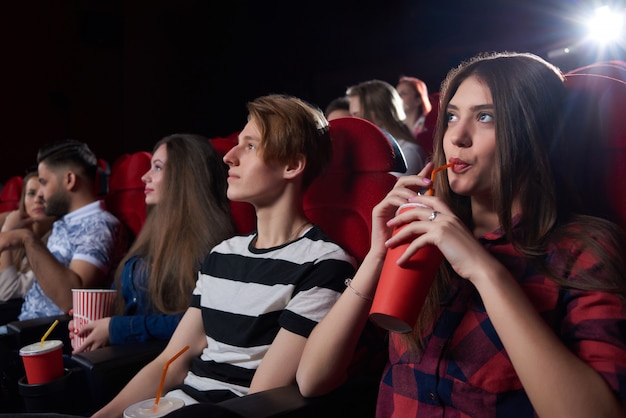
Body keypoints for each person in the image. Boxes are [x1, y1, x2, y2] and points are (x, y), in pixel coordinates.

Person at [296, 52, 626, 417]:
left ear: (537, 132)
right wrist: (377, 256)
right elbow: (313, 379)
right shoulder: (419, 231)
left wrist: (484, 270)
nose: (457, 137)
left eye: (485, 117)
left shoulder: (582, 250)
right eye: (452, 116)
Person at [92, 94, 356, 418]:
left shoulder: (324, 263)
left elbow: (262, 397)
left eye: (250, 146)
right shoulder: (222, 253)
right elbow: (170, 363)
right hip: (174, 405)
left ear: (292, 165)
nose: (229, 157)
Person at [69, 134, 237, 353]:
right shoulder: (152, 233)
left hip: (159, 362)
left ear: (184, 177)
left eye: (157, 168)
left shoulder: (212, 245)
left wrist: (116, 328)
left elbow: (203, 321)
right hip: (121, 354)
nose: (144, 177)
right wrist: (94, 322)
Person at [0, 139, 129, 320]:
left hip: (50, 336)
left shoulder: (98, 226)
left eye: (44, 182)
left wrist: (27, 239)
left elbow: (72, 301)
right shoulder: (65, 222)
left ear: (69, 180)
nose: (41, 194)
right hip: (26, 327)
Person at [347, 79, 427, 176]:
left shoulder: (409, 153)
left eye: (356, 114)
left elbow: (383, 190)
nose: (352, 120)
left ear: (376, 113)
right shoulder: (364, 153)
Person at [0, 171, 55, 304]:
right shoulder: (15, 229)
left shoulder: (57, 242)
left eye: (44, 193)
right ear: (23, 202)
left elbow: (7, 292)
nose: (38, 199)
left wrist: (7, 230)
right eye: (31, 193)